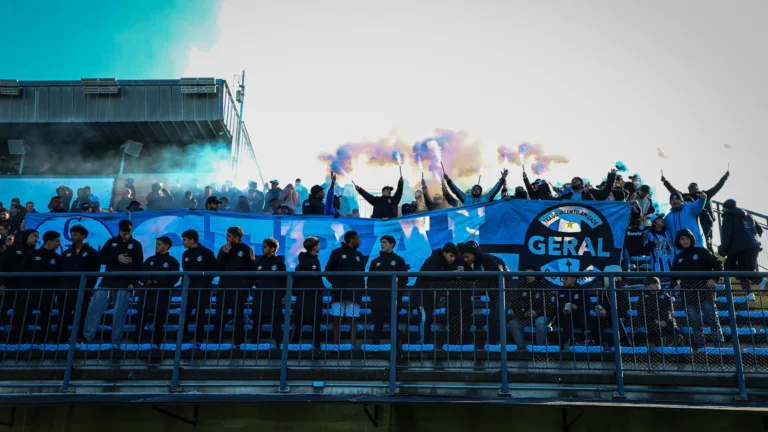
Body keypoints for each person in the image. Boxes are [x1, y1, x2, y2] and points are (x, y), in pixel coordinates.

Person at [82, 220, 144, 347]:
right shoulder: (111, 242)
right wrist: (116, 258)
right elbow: (100, 258)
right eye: (123, 233)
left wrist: (133, 281)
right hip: (107, 281)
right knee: (94, 308)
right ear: (119, 231)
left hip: (125, 283)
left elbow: (139, 265)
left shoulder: (136, 245)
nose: (125, 235)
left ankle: (116, 341)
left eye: (128, 233)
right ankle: (87, 337)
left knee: (119, 313)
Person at [672, 228, 724, 348]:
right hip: (687, 293)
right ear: (678, 242)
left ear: (691, 239)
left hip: (704, 290)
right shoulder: (678, 258)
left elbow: (718, 263)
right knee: (694, 321)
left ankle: (719, 345)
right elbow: (673, 276)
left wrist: (714, 279)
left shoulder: (702, 251)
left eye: (687, 238)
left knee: (712, 318)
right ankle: (700, 346)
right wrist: (676, 285)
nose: (685, 241)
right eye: (682, 239)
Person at [9, 231, 62, 344]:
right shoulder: (32, 254)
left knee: (46, 318)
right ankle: (18, 340)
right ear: (49, 242)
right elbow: (23, 271)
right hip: (30, 292)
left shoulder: (57, 258)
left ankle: (45, 341)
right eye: (57, 241)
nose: (59, 244)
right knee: (24, 317)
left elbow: (58, 278)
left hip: (47, 293)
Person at [662, 170, 729, 252]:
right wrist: (665, 182)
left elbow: (717, 187)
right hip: (690, 217)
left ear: (697, 188)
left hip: (704, 220)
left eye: (692, 188)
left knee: (707, 238)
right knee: (687, 235)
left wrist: (725, 177)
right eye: (689, 188)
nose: (690, 189)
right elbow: (673, 192)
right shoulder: (685, 197)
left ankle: (709, 252)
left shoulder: (704, 194)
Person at [413, 243, 465, 344]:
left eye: (454, 257)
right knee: (424, 319)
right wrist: (451, 274)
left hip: (430, 296)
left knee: (428, 319)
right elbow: (433, 276)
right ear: (444, 253)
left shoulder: (445, 262)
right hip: (422, 294)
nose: (452, 259)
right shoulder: (433, 260)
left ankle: (426, 343)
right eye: (451, 256)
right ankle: (423, 344)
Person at [460, 241, 508, 346]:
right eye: (464, 257)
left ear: (474, 253)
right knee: (492, 320)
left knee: (496, 319)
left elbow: (499, 273)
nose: (466, 260)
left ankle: (498, 345)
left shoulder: (486, 258)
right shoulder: (477, 264)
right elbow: (476, 277)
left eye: (467, 257)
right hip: (494, 295)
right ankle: (493, 344)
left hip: (505, 294)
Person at [60, 225, 101, 342]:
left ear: (83, 236)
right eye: (71, 234)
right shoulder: (67, 253)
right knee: (64, 314)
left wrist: (88, 288)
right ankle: (62, 337)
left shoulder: (92, 253)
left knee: (82, 314)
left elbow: (95, 272)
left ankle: (79, 337)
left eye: (76, 234)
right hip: (67, 290)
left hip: (83, 290)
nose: (72, 236)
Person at [325, 230, 367, 345]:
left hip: (354, 294)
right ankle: (334, 347)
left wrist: (360, 291)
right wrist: (337, 285)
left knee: (353, 321)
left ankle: (352, 347)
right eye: (358, 238)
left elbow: (362, 276)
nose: (360, 241)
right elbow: (328, 271)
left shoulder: (359, 255)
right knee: (337, 319)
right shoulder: (337, 253)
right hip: (339, 293)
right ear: (351, 239)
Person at [216, 226, 256, 347]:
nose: (226, 238)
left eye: (229, 236)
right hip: (224, 286)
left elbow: (252, 270)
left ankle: (238, 342)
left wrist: (246, 286)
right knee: (220, 314)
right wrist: (223, 254)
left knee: (237, 315)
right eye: (226, 235)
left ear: (237, 237)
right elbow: (217, 267)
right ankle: (216, 340)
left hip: (239, 288)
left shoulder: (246, 249)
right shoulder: (224, 249)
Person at [366, 236, 409, 345]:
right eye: (381, 242)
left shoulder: (399, 260)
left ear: (392, 244)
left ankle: (397, 350)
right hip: (378, 300)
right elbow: (370, 281)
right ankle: (374, 349)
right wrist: (374, 296)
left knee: (393, 324)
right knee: (377, 325)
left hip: (392, 300)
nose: (382, 244)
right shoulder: (375, 261)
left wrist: (397, 294)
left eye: (385, 242)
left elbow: (404, 280)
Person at [138, 236, 180, 347]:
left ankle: (157, 343)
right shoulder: (150, 260)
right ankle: (138, 341)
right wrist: (148, 281)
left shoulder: (172, 261)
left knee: (159, 320)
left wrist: (158, 281)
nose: (157, 246)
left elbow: (174, 278)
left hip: (162, 294)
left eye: (159, 244)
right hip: (147, 293)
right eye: (156, 243)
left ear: (167, 246)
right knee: (141, 317)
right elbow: (141, 275)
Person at [718, 198, 763, 296]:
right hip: (754, 246)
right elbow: (760, 229)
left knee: (741, 271)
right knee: (748, 270)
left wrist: (723, 249)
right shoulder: (749, 215)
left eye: (723, 209)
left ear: (725, 208)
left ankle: (756, 287)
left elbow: (727, 234)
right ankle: (751, 292)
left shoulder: (727, 216)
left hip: (739, 248)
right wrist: (753, 240)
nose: (722, 211)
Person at [180, 229, 217, 343]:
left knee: (200, 315)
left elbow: (214, 269)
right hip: (188, 290)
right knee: (184, 314)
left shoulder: (206, 253)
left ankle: (199, 339)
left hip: (201, 290)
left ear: (192, 240)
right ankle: (182, 338)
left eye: (185, 240)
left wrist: (204, 283)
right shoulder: (185, 254)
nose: (183, 242)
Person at [251, 238, 287, 347]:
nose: (262, 249)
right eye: (262, 246)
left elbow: (284, 280)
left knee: (276, 321)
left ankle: (278, 344)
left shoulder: (279, 263)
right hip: (260, 296)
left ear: (272, 248)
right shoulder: (259, 261)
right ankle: (254, 343)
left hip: (274, 296)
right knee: (257, 319)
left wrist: (280, 295)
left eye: (265, 247)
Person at [505, 266, 553, 347]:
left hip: (542, 316)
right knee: (512, 323)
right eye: (526, 273)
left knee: (539, 322)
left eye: (530, 273)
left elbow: (549, 306)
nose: (528, 275)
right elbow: (516, 304)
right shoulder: (522, 286)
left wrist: (536, 312)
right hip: (525, 317)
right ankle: (521, 347)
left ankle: (540, 348)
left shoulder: (543, 286)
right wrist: (523, 313)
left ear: (536, 275)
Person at [294, 236, 327, 350]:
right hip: (306, 296)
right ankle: (293, 345)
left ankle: (317, 346)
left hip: (315, 296)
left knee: (315, 322)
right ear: (314, 247)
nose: (319, 247)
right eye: (318, 245)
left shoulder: (315, 260)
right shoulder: (306, 261)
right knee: (300, 322)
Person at [635, 276, 679, 348]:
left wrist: (665, 321)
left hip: (666, 321)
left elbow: (669, 310)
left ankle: (675, 345)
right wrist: (656, 321)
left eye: (658, 284)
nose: (657, 286)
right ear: (647, 286)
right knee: (656, 332)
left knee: (675, 330)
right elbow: (643, 312)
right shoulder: (643, 298)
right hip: (651, 322)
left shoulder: (665, 296)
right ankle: (662, 347)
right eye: (654, 284)